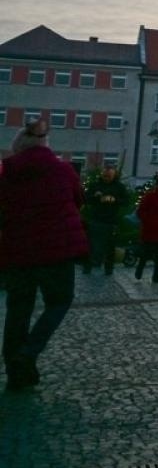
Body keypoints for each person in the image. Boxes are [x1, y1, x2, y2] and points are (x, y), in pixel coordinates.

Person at [0, 120, 89, 391]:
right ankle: (28, 353)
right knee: (59, 301)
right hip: (57, 249)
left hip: (18, 250)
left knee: (18, 307)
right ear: (45, 145)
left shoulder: (8, 172)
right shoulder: (63, 170)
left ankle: (16, 367)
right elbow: (78, 200)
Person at [82, 165, 131, 276]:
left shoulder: (119, 187)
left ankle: (108, 269)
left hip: (111, 220)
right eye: (105, 175)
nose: (106, 178)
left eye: (109, 176)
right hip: (96, 219)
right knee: (91, 245)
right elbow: (86, 198)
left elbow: (126, 201)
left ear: (114, 175)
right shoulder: (95, 185)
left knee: (110, 247)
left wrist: (114, 199)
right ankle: (87, 267)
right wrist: (96, 196)